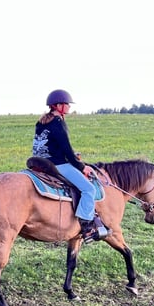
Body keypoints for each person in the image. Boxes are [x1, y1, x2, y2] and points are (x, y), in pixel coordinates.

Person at [32, 89, 110, 243]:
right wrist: (82, 167)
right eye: (66, 104)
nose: (69, 107)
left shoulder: (41, 122)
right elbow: (67, 150)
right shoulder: (58, 122)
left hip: (39, 163)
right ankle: (87, 227)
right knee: (89, 189)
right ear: (58, 106)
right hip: (57, 164)